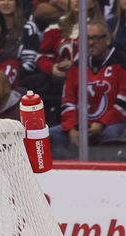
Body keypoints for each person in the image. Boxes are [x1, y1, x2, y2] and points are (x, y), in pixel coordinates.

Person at [49, 20, 126, 157]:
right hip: (82, 126)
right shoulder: (78, 66)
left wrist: (102, 124)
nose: (91, 43)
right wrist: (71, 127)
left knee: (112, 135)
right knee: (50, 136)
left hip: (113, 124)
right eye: (87, 38)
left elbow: (123, 103)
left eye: (95, 38)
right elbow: (68, 101)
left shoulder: (122, 63)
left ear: (107, 39)